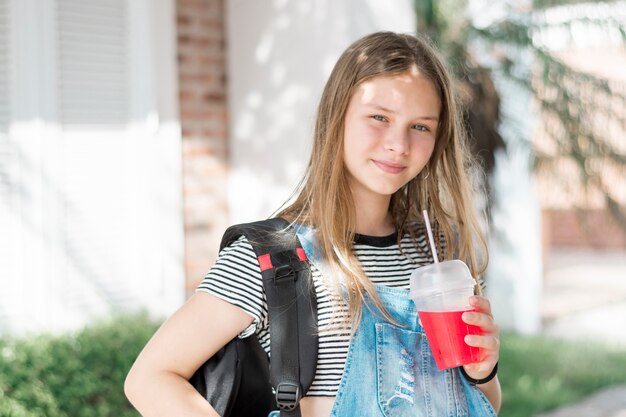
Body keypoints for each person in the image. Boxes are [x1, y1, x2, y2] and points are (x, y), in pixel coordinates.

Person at [125, 31, 502, 416]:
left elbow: (483, 403)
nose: (399, 144)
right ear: (337, 117)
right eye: (378, 118)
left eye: (420, 126)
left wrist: (482, 371)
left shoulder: (441, 253)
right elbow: (151, 377)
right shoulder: (275, 258)